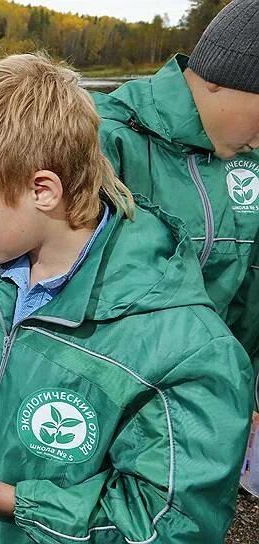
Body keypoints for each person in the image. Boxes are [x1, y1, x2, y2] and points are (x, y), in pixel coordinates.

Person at [0, 54, 254, 544]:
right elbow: (3, 366)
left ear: (43, 190)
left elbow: (171, 523)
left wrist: (5, 500)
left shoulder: (189, 351)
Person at [91, 0, 259, 378]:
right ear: (219, 76)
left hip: (215, 389)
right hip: (116, 387)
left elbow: (251, 297)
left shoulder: (250, 160)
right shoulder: (102, 138)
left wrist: (242, 386)